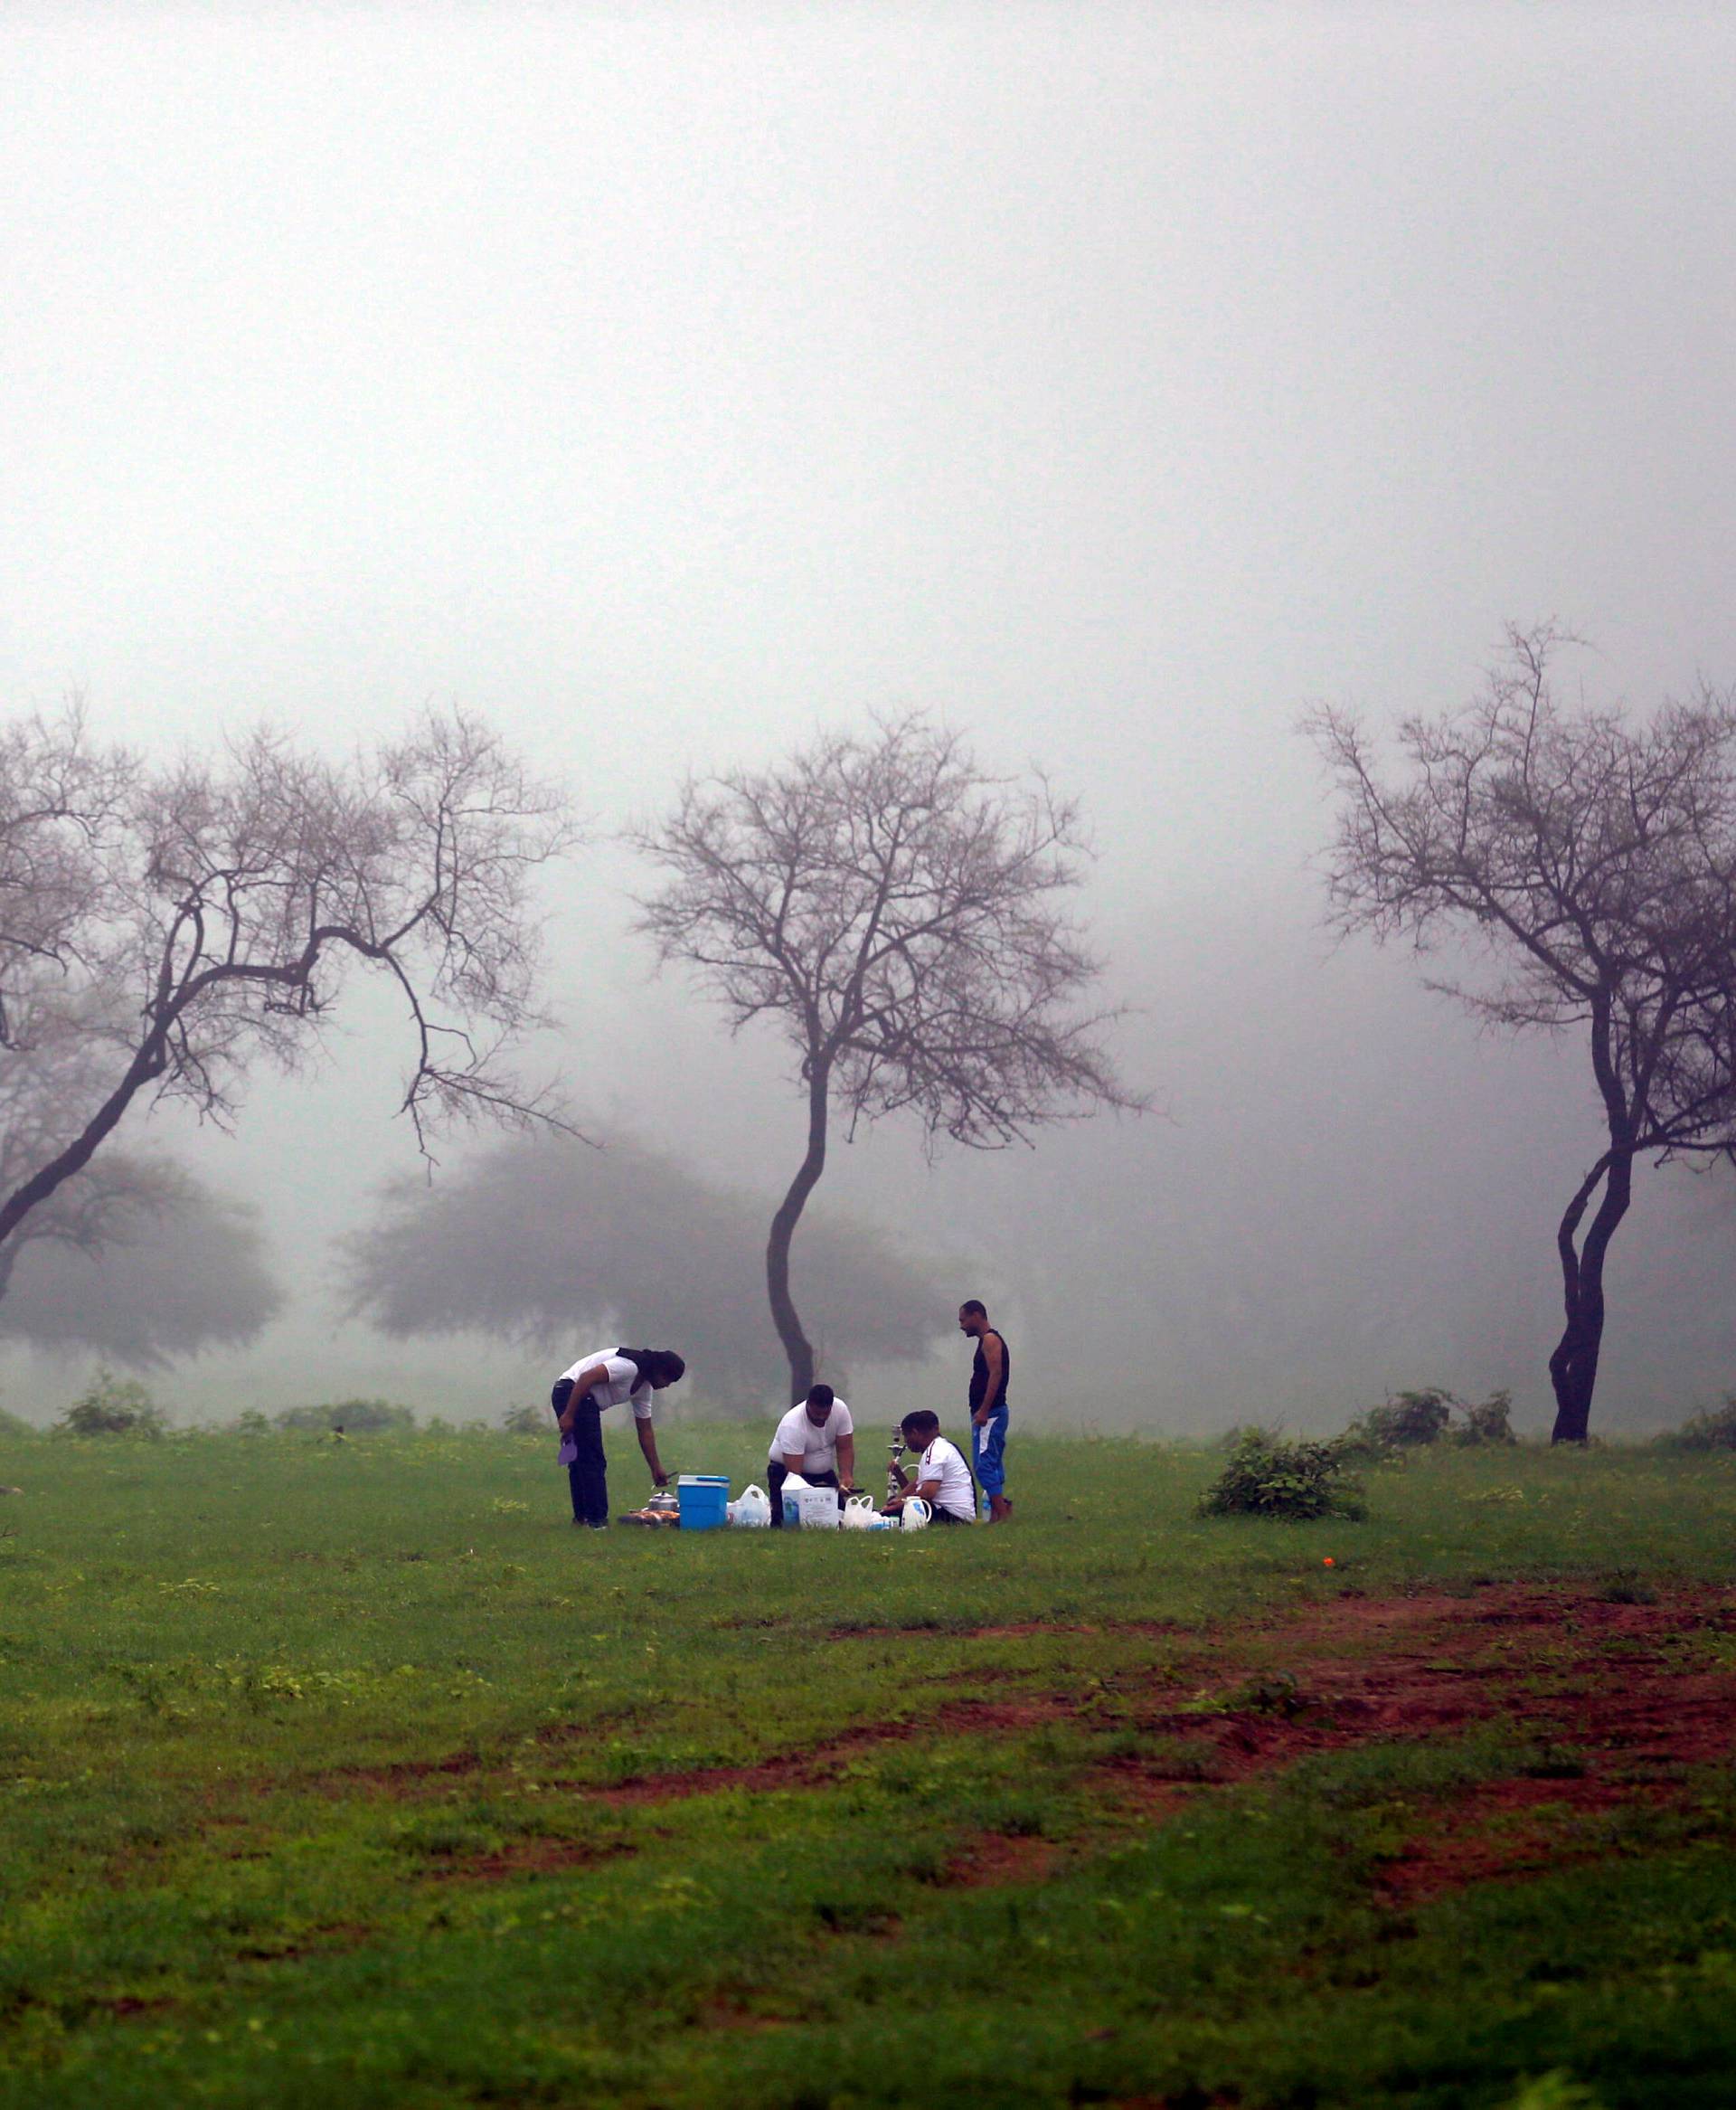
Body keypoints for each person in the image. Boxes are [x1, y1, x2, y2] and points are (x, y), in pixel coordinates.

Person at [550, 1347, 684, 1528]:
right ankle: (597, 1521)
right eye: (668, 1379)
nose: (667, 1385)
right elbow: (586, 1378)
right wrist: (569, 1415)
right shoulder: (628, 1367)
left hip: (582, 1398)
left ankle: (582, 1519)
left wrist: (656, 1468)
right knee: (593, 1460)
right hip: (572, 1391)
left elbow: (645, 1431)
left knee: (580, 1460)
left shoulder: (644, 1390)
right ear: (658, 1370)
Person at [766, 1383, 856, 1528]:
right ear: (808, 1405)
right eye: (816, 1414)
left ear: (831, 1407)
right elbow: (794, 1478)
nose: (821, 1418)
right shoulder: (793, 1425)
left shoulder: (841, 1411)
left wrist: (846, 1477)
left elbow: (845, 1447)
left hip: (824, 1474)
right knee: (787, 1523)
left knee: (838, 1519)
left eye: (825, 1414)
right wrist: (820, 1491)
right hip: (786, 1475)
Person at [959, 1300, 1012, 1522]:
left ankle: (1001, 1514)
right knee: (993, 1462)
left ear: (977, 1315)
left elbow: (996, 1374)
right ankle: (999, 1514)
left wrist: (983, 1410)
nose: (961, 1326)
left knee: (983, 1465)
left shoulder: (990, 1340)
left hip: (990, 1414)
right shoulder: (985, 1341)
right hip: (990, 1413)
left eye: (963, 1320)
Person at [883, 1409, 976, 1524]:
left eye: (906, 1436)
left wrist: (899, 1504)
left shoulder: (935, 1452)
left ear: (915, 1433)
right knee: (891, 1513)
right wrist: (898, 1496)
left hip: (951, 1516)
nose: (905, 1442)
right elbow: (915, 1487)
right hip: (956, 1514)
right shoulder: (942, 1447)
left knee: (887, 1518)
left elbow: (927, 1493)